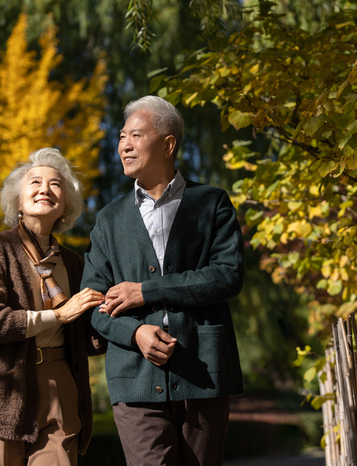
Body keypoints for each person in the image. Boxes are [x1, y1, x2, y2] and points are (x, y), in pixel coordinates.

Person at [82, 95, 245, 466]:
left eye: (136, 135)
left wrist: (146, 291)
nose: (123, 144)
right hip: (134, 381)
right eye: (121, 136)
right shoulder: (108, 220)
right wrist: (134, 333)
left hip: (202, 372)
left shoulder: (212, 203)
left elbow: (228, 276)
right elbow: (92, 301)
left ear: (168, 144)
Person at [0, 148, 107, 466]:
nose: (44, 189)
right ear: (18, 199)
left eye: (56, 184)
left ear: (66, 203)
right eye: (34, 182)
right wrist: (57, 315)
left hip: (61, 384)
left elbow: (91, 338)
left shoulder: (75, 265)